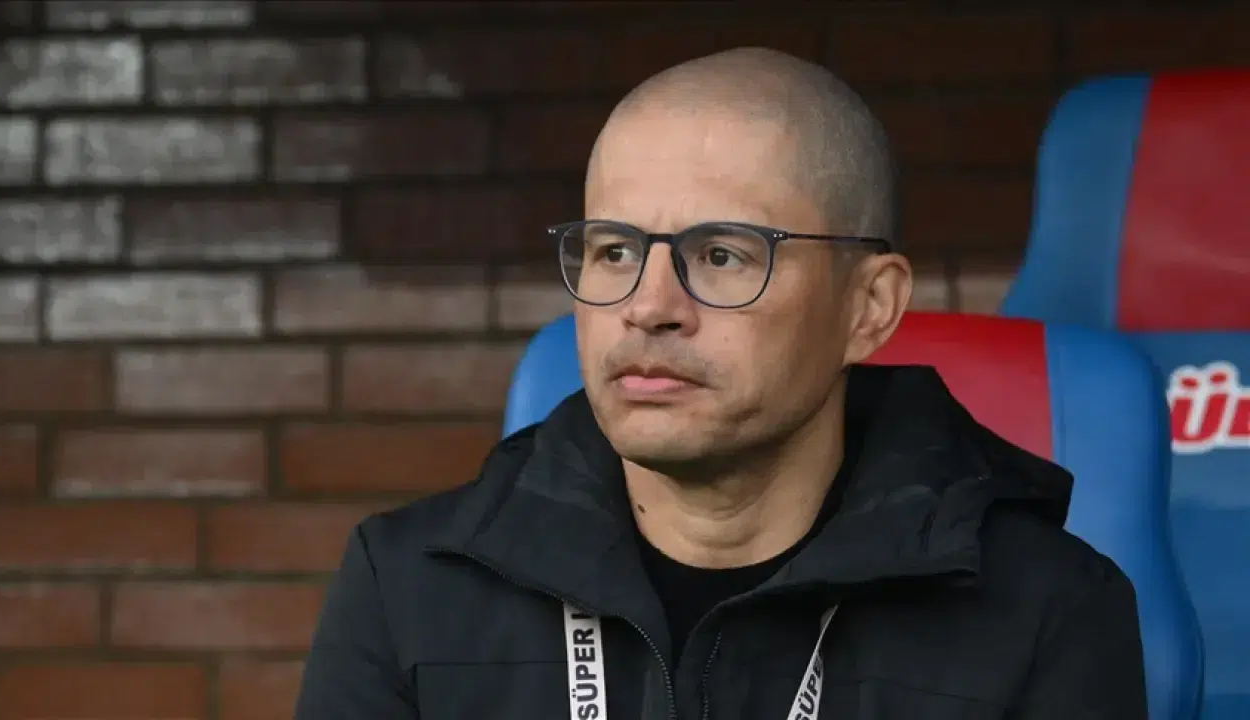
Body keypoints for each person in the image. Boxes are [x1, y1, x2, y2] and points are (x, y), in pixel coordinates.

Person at [294, 47, 1148, 719]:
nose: (649, 307)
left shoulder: (1048, 611)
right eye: (615, 250)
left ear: (869, 307)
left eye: (723, 255)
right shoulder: (407, 584)